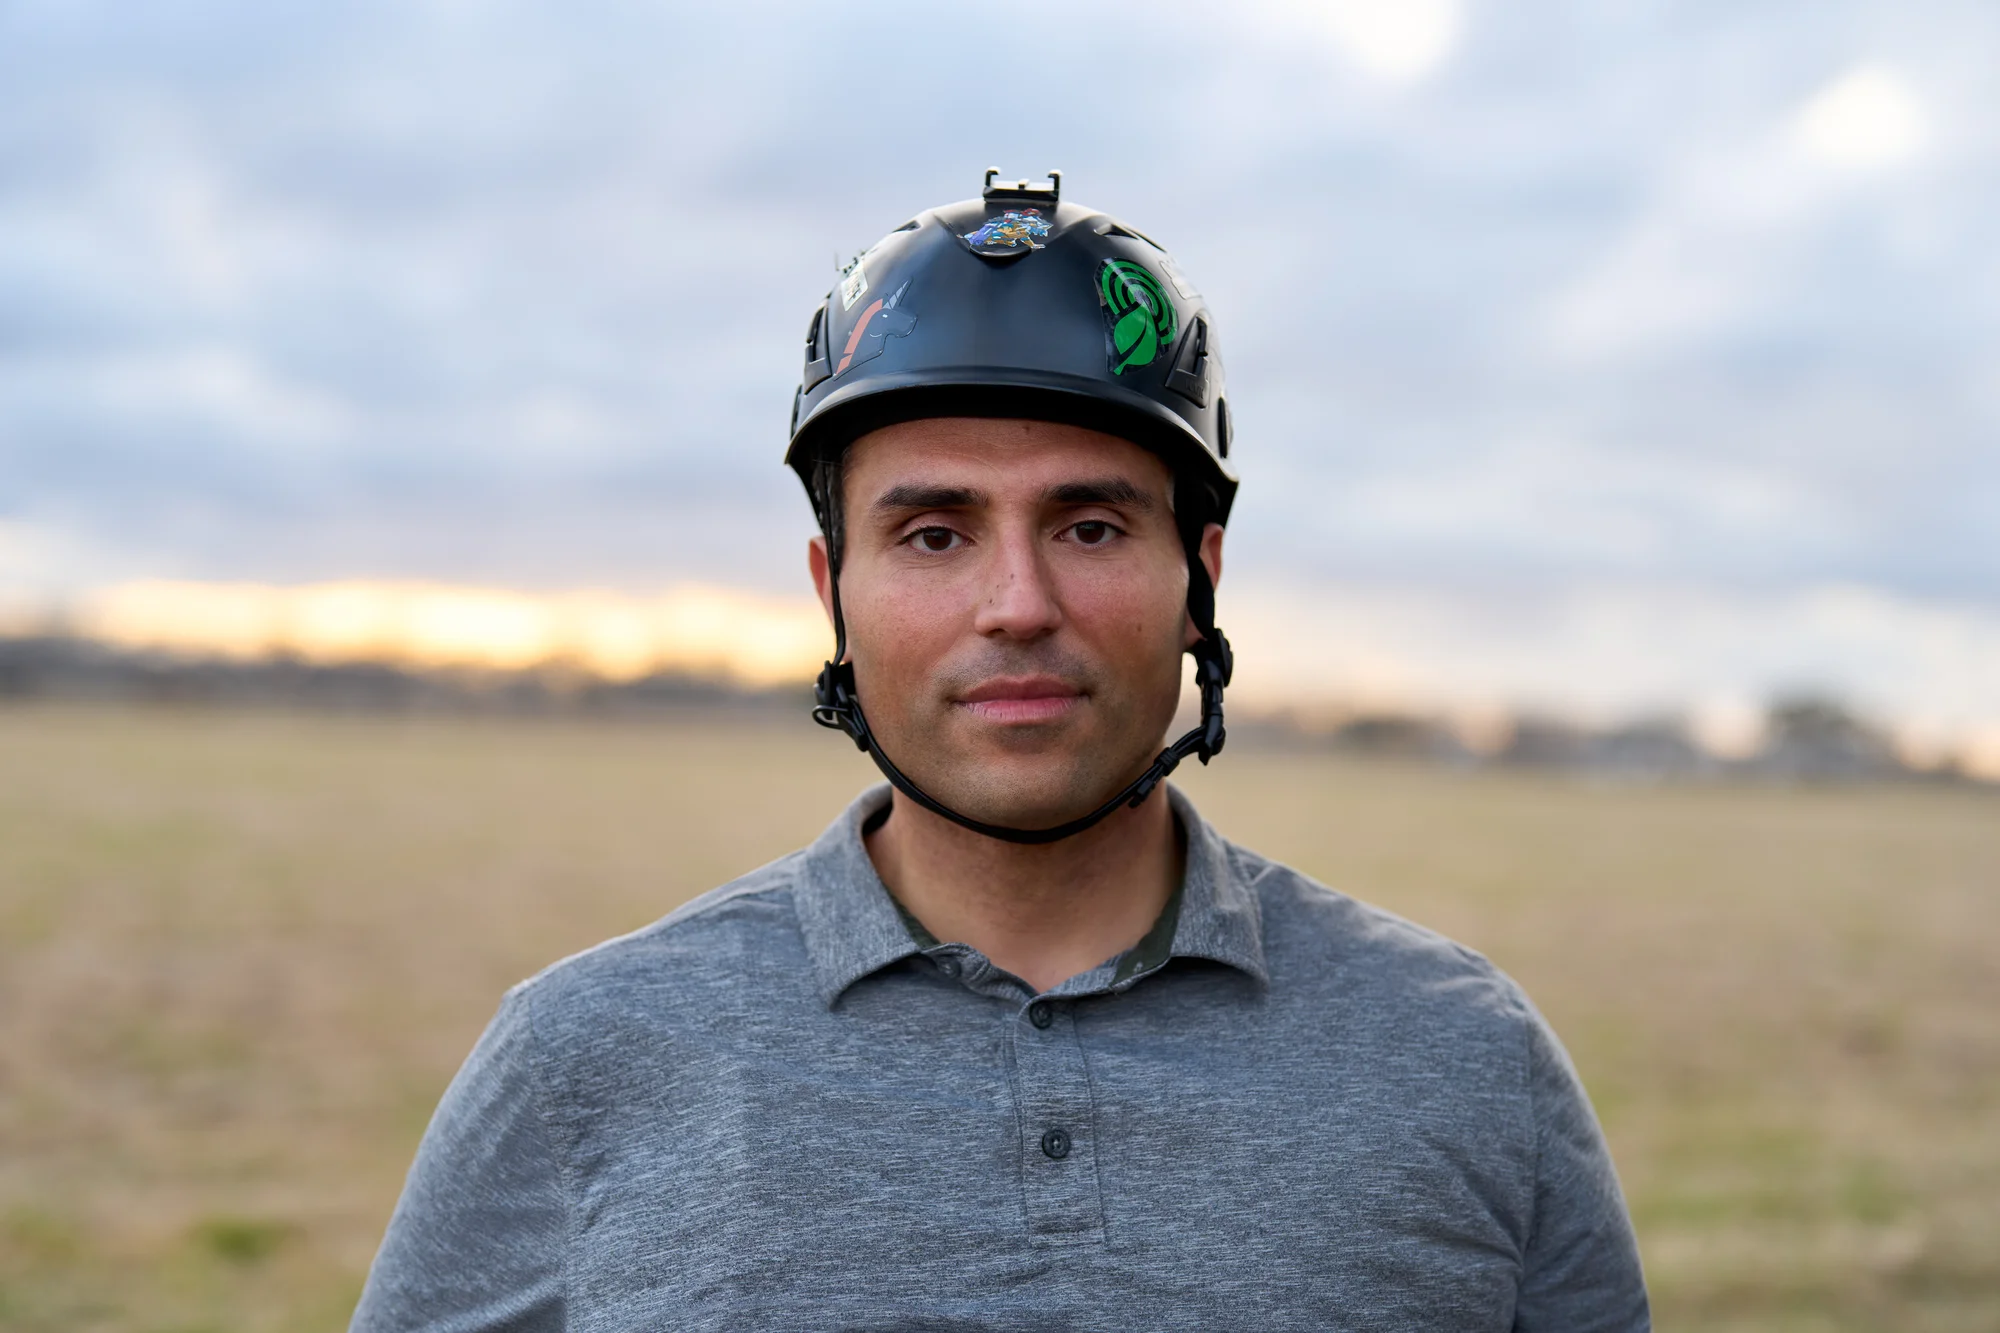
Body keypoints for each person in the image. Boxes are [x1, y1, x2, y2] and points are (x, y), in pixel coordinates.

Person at [351, 170, 1650, 1331]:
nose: (1017, 602)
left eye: (1090, 527)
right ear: (831, 595)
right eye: (933, 534)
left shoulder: (1465, 1057)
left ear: (1199, 579)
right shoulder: (583, 1060)